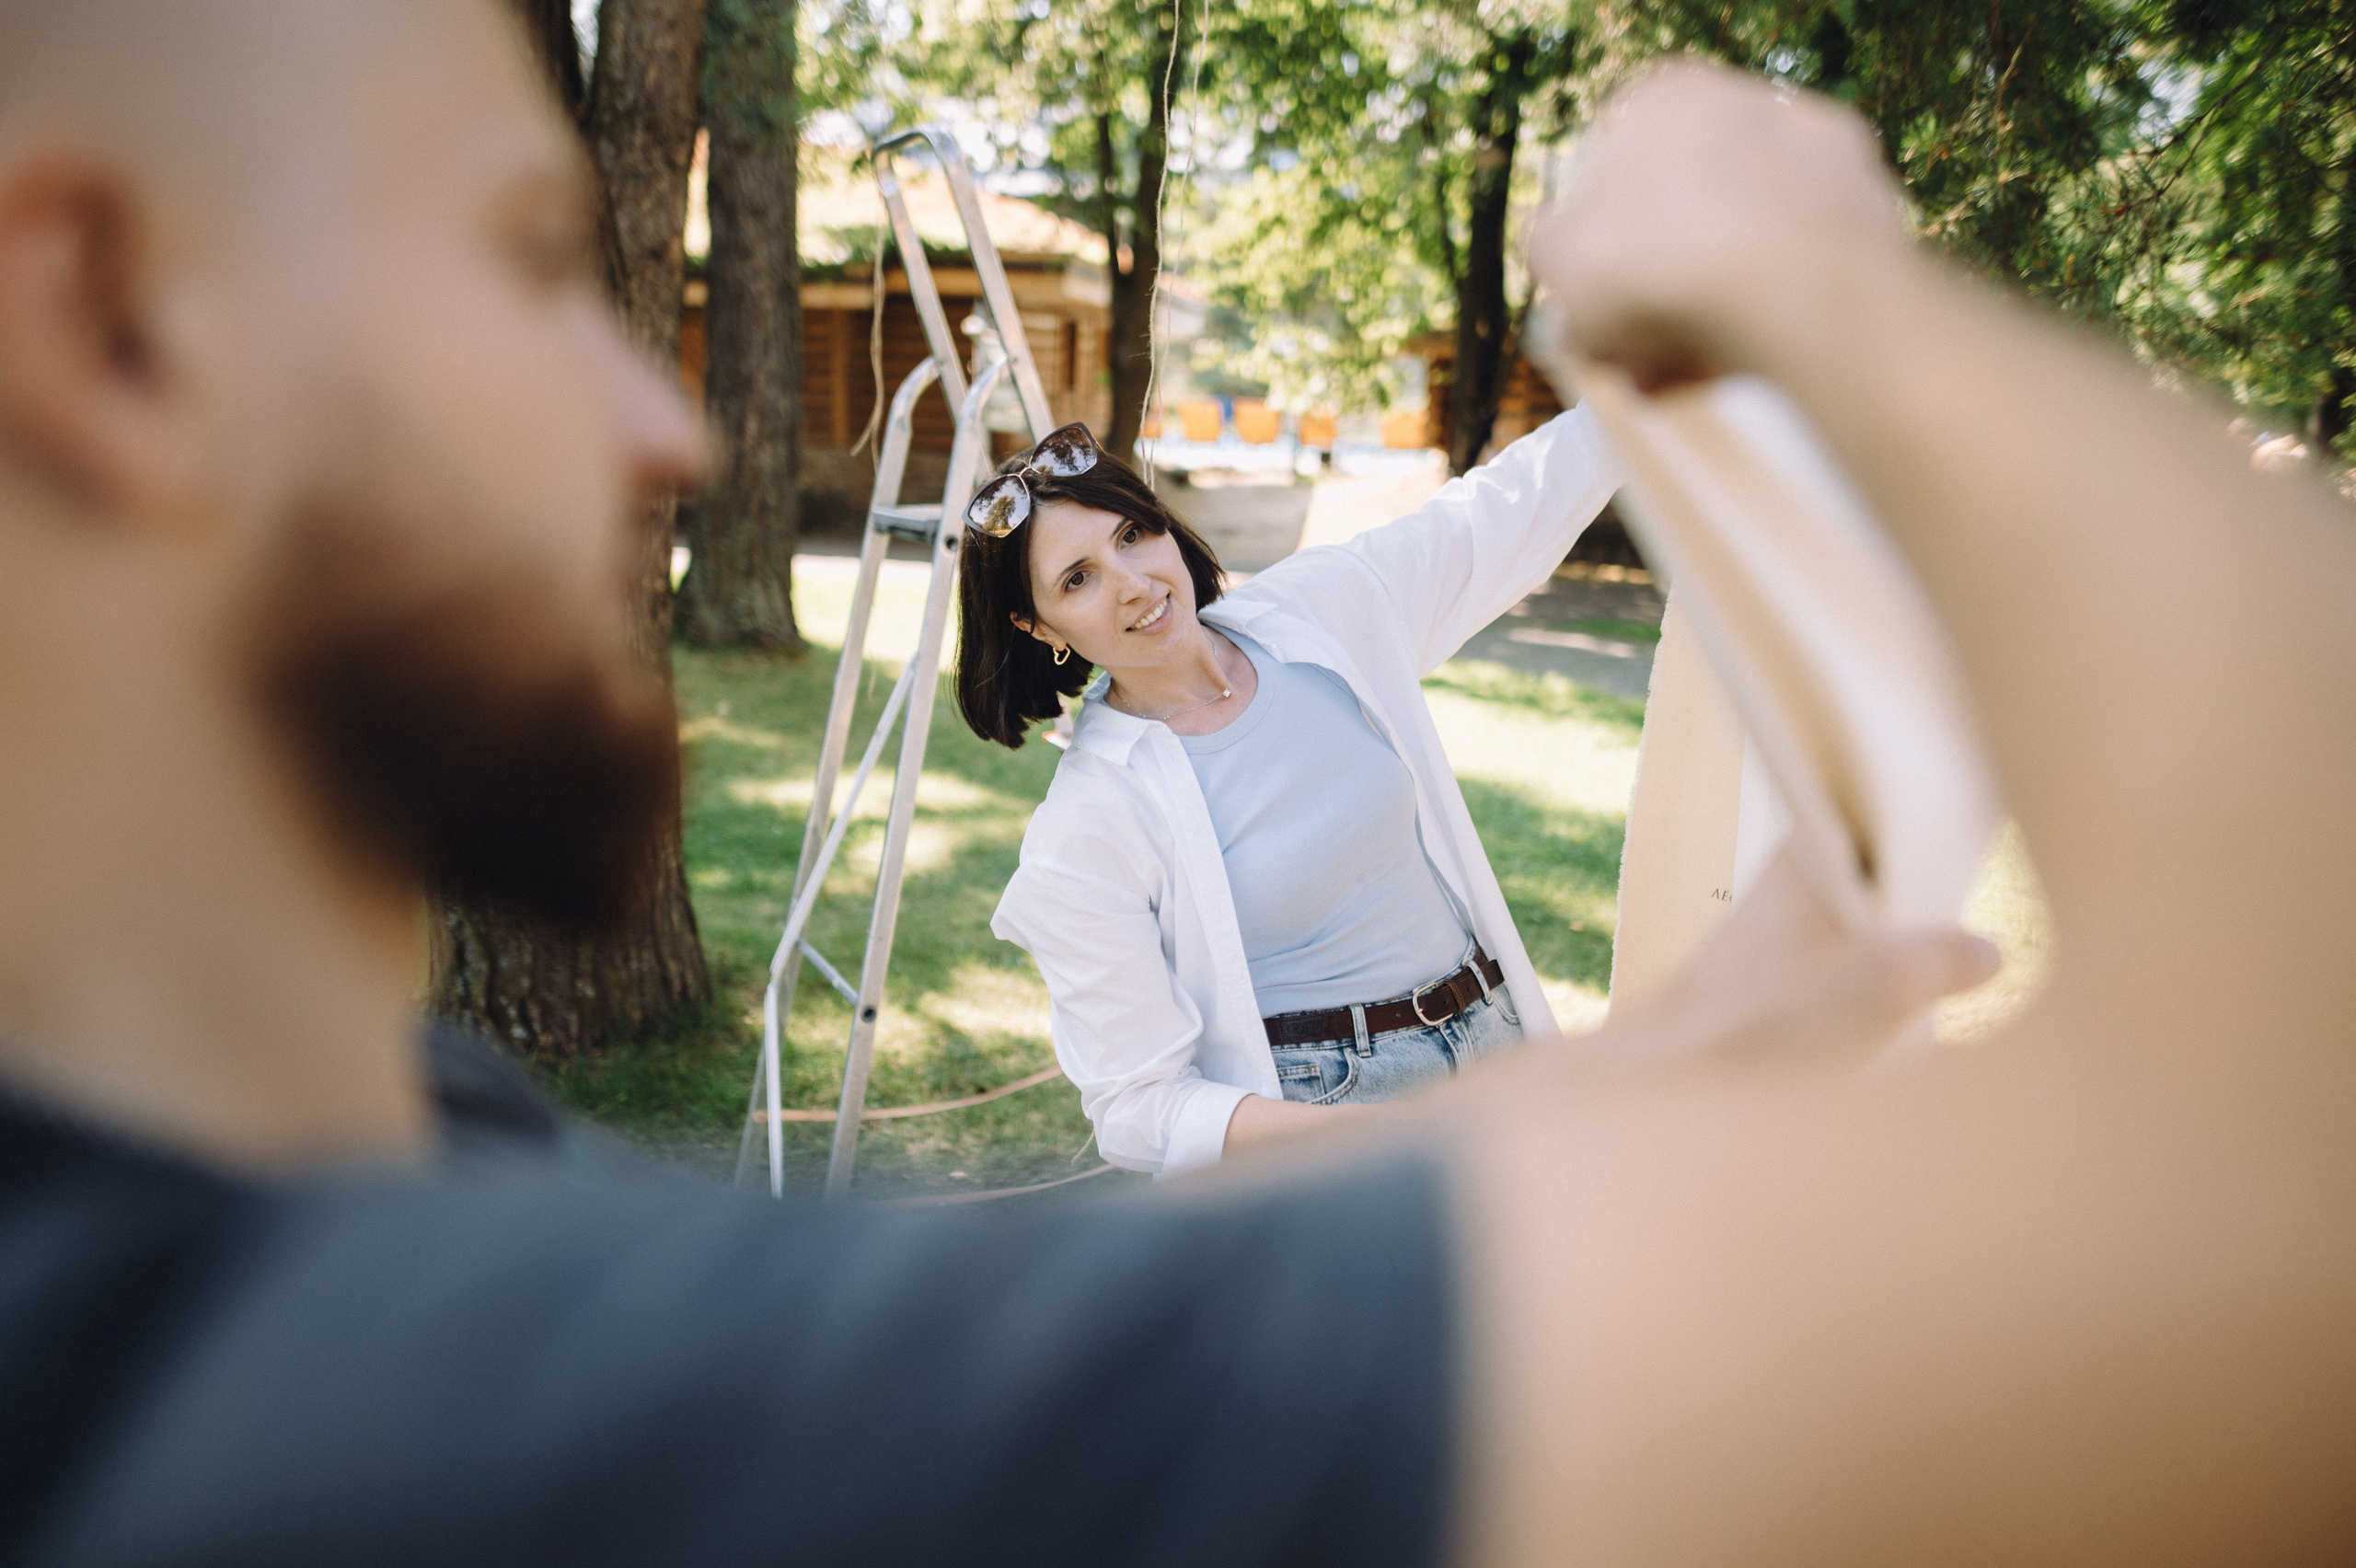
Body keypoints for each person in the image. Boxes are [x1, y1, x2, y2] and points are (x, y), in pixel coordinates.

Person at [3, 0, 2350, 1557]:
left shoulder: (407, 1175)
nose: (664, 431)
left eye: (1125, 528)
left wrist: (1567, 1097)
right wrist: (1815, 291)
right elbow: (2274, 1184)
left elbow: (1505, 517)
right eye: (531, 256)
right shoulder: (421, 1401)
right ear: (104, 319)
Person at [954, 409, 1620, 1176]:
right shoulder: (1088, 824)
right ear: (1038, 626)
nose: (1135, 585)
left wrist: (1644, 388)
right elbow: (1138, 1105)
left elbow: (1491, 517)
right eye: (1078, 580)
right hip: (1332, 1110)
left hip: (1502, 1042)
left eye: (1132, 535)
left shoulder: (1316, 611)